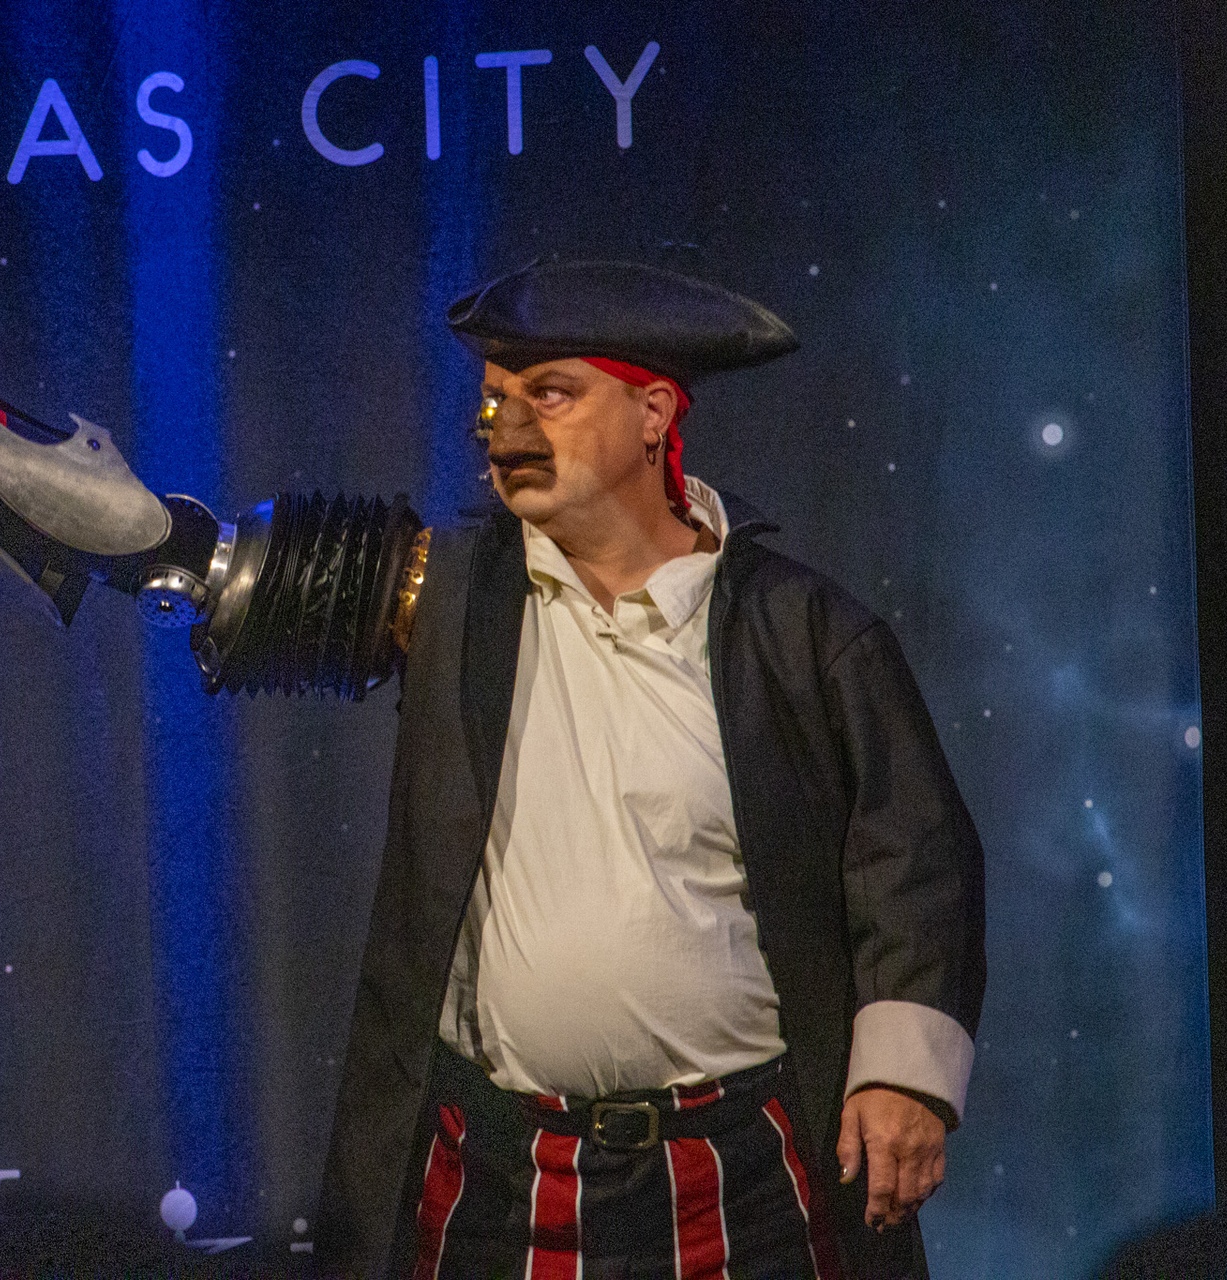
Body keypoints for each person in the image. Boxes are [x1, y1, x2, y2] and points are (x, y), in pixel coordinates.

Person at [313, 259, 986, 1279]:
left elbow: (914, 854)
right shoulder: (446, 600)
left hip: (744, 1178)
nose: (504, 430)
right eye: (494, 399)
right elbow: (247, 580)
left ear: (653, 415)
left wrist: (905, 1077)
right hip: (499, 1177)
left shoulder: (794, 630)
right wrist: (121, 531)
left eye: (550, 394)